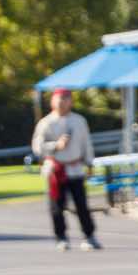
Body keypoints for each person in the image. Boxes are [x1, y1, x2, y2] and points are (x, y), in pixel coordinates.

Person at [32, 87, 100, 251]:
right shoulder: (46, 123)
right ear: (52, 102)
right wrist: (56, 146)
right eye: (59, 99)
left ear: (71, 102)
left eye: (65, 99)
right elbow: (38, 147)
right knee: (57, 206)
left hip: (75, 168)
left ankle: (89, 235)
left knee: (81, 204)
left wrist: (89, 163)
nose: (62, 103)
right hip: (56, 170)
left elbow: (86, 144)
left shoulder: (79, 121)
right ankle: (61, 237)